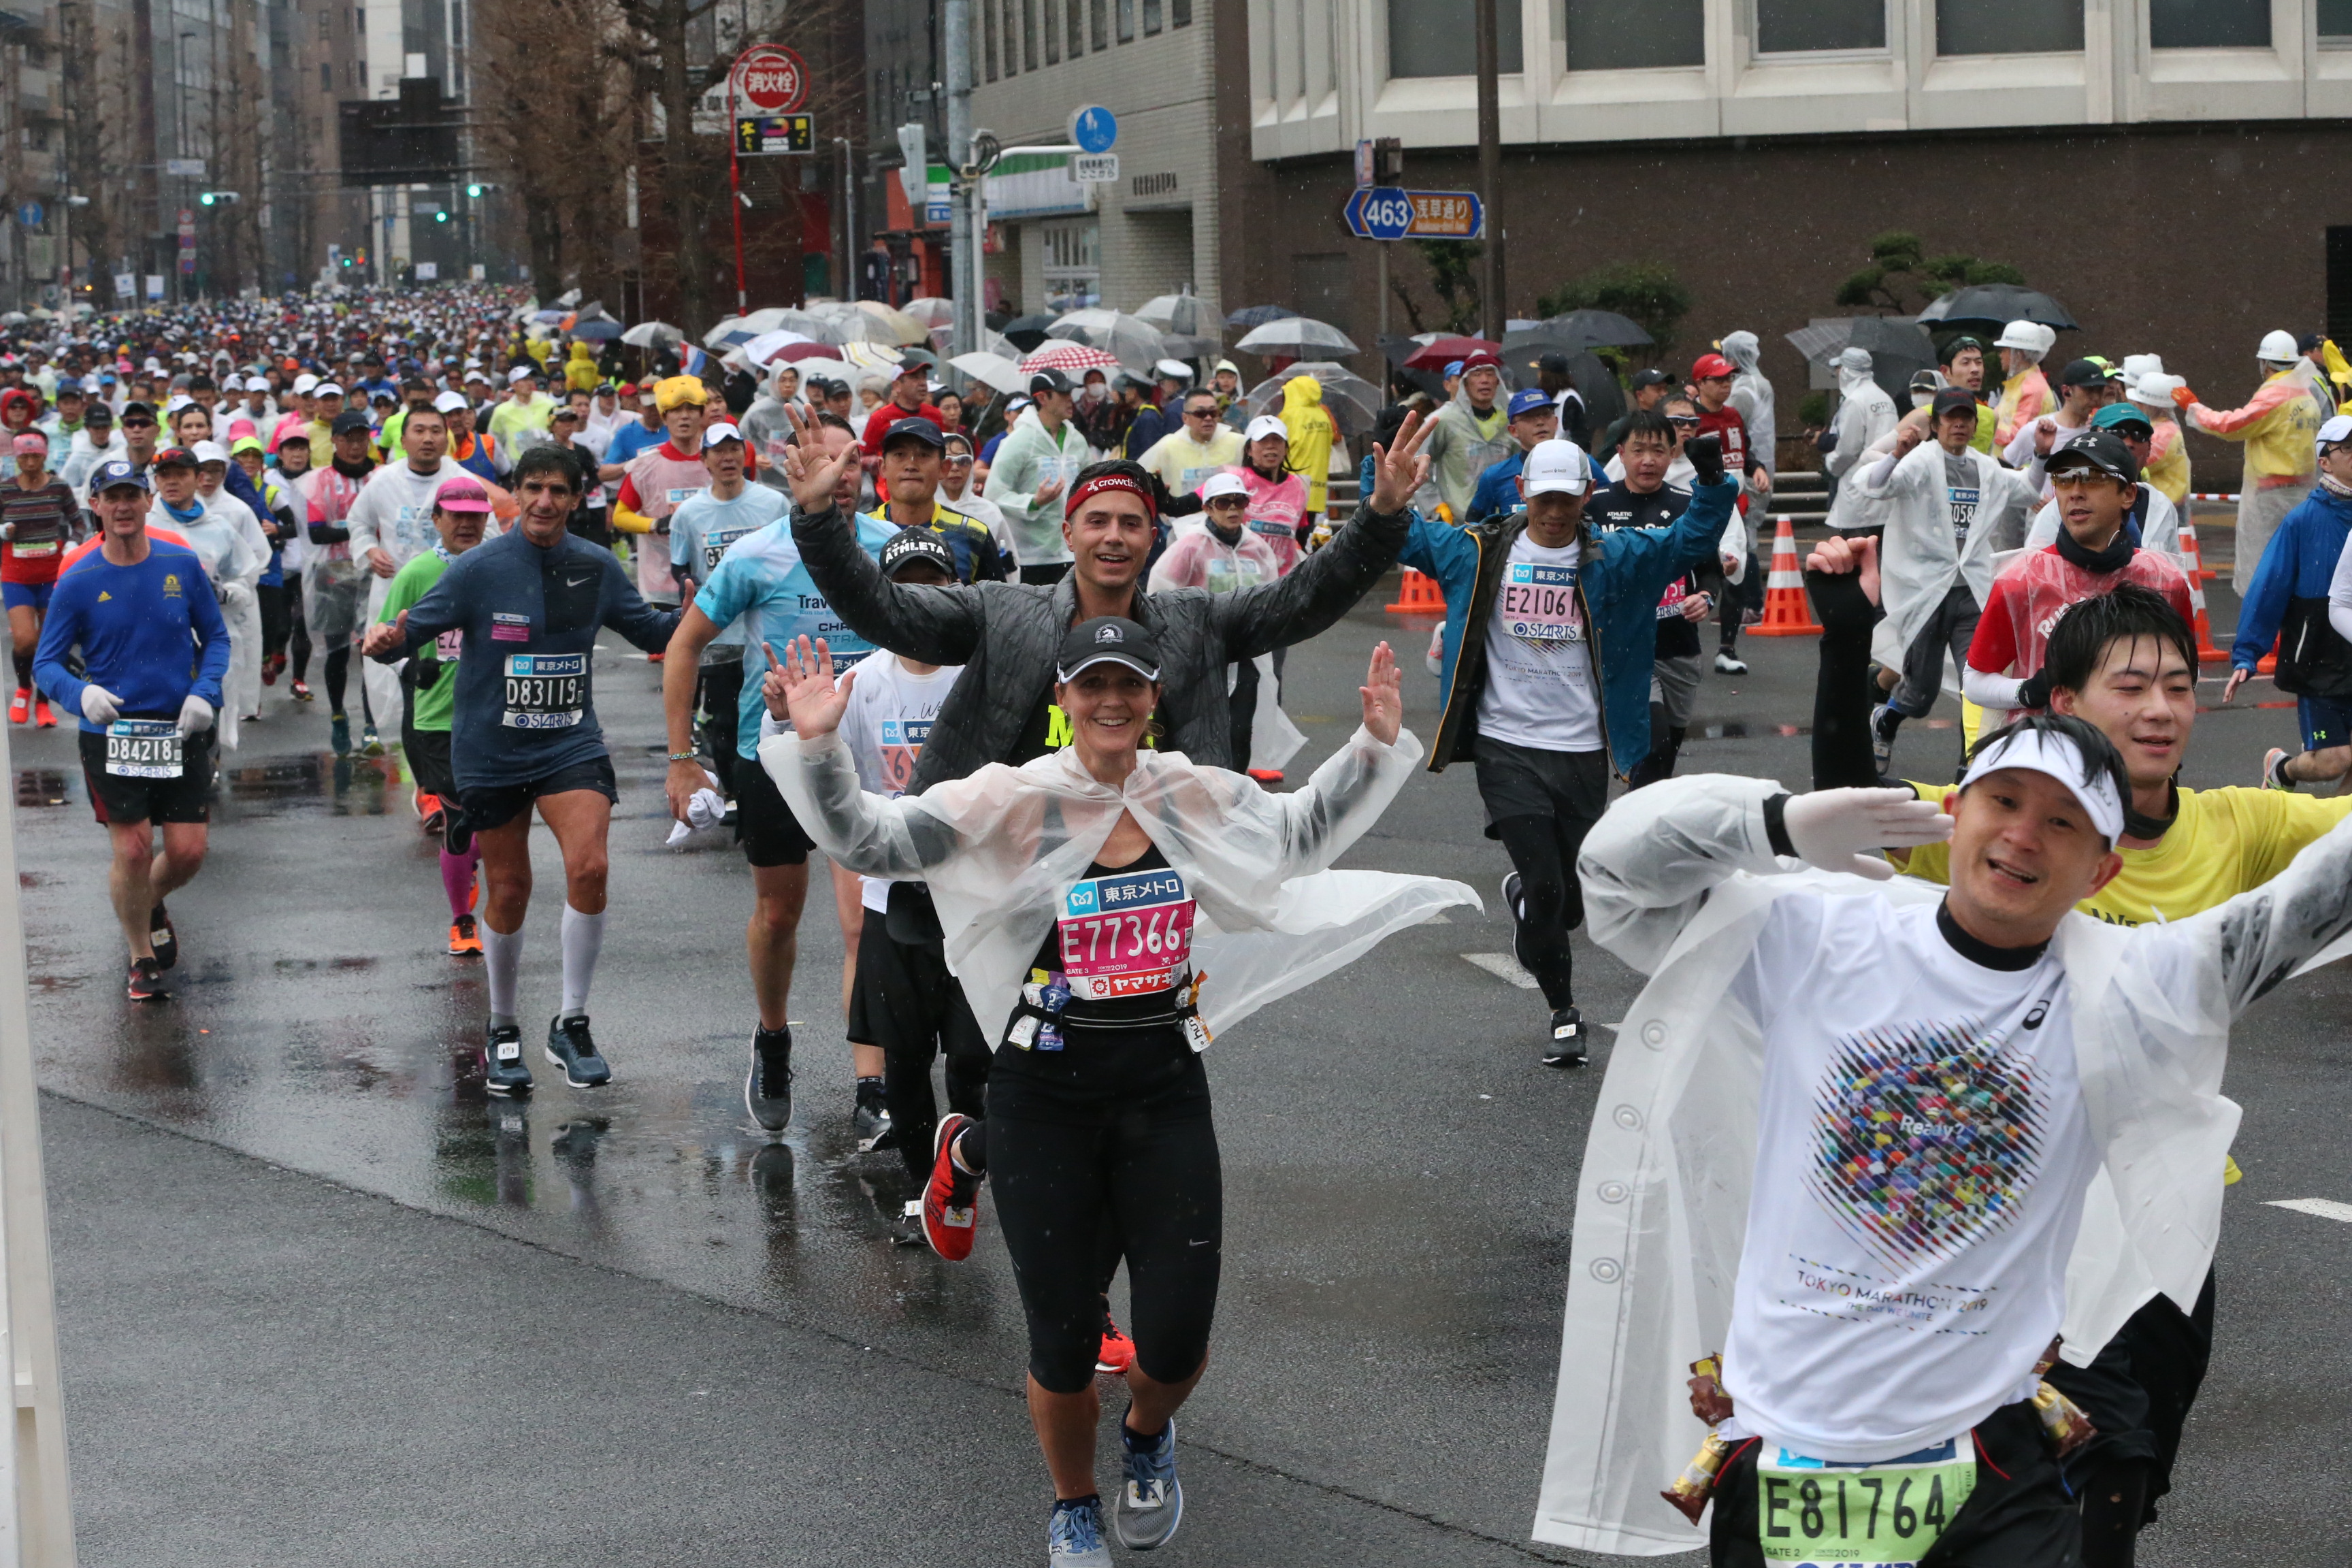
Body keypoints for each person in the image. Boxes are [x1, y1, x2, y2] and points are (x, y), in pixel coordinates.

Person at [1533, 710, 2352, 1565]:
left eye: (2062, 822)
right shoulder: (1814, 930)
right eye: (2004, 801)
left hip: (1988, 1464)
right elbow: (1615, 876)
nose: (2024, 837)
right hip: (1779, 1452)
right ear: (1958, 811)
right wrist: (1771, 821)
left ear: (2102, 867)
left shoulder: (2131, 988)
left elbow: (2310, 905)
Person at [760, 621, 1469, 1567]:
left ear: (1152, 699)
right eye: (1090, 685)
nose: (1110, 702)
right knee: (1061, 1343)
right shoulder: (1012, 800)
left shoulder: (1187, 792)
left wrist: (1372, 745)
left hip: (1162, 1090)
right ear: (1061, 699)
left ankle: (1145, 1436)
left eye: (1128, 687)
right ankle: (1075, 1503)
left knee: (1174, 1346)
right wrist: (814, 743)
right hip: (1043, 1095)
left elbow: (1297, 836)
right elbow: (875, 840)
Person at [1400, 435, 1738, 1064]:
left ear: (1589, 495)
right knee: (1549, 890)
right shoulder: (1480, 551)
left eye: (1568, 498)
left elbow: (1690, 542)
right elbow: (1401, 536)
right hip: (1507, 747)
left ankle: (1529, 903)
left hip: (1583, 749)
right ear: (1524, 492)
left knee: (1574, 902)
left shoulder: (1619, 557)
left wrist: (1717, 485)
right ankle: (1562, 1009)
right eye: (1544, 498)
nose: (1554, 512)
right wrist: (1381, 491)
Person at [361, 445, 681, 1096]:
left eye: (559, 490)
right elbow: (415, 627)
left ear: (575, 498)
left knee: (590, 867)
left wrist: (715, 612)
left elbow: (651, 632)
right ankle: (503, 1025)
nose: (544, 501)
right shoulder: (479, 568)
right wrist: (389, 640)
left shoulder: (594, 566)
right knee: (507, 890)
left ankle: (571, 1021)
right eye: (532, 487)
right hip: (492, 749)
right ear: (517, 492)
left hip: (569, 745)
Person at [661, 409, 895, 1135]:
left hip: (865, 751)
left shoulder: (889, 549)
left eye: (851, 461)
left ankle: (872, 1085)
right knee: (777, 916)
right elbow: (684, 647)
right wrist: (680, 761)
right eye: (824, 461)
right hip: (778, 750)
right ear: (793, 471)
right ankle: (772, 1036)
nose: (841, 476)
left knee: (862, 922)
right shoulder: (759, 554)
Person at [779, 528, 981, 1189]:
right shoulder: (861, 682)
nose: (920, 601)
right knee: (905, 1062)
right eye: (905, 589)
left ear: (956, 591)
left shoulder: (982, 674)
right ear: (885, 599)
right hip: (895, 899)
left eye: (934, 585)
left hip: (977, 898)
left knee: (975, 1062)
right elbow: (835, 799)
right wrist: (800, 732)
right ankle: (927, 1191)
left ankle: (969, 1176)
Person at [32, 459, 228, 1002]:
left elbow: (215, 638)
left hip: (179, 726)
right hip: (113, 734)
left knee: (187, 852)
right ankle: (141, 955)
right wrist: (81, 694)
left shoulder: (180, 564)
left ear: (147, 502)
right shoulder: (77, 577)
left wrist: (203, 692)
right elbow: (45, 666)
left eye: (131, 496)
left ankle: (146, 900)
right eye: (110, 497)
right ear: (94, 506)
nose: (122, 506)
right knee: (135, 850)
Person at [1850, 387, 2039, 772]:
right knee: (1920, 693)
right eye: (1950, 418)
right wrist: (1898, 454)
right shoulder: (1921, 462)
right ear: (1935, 424)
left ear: (1973, 425)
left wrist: (2043, 454)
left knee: (1978, 680)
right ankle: (1885, 721)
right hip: (1926, 591)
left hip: (1971, 591)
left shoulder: (1985, 468)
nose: (1958, 424)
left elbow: (2026, 490)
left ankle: (1971, 764)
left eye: (1965, 418)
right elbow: (1874, 485)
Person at [375, 476, 493, 955]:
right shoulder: (417, 573)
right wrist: (409, 662)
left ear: (487, 519)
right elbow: (383, 638)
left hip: (501, 715)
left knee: (495, 823)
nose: (466, 523)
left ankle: (472, 871)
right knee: (461, 819)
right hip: (439, 719)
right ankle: (462, 920)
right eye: (456, 515)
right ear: (438, 520)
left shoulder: (505, 566)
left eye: (475, 515)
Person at [1589, 408, 1727, 788]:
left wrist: (1705, 596)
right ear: (1620, 453)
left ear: (1673, 454)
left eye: (1658, 450)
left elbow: (1711, 569)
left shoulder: (1688, 505)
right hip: (1624, 645)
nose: (1648, 460)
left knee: (1664, 757)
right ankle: (1633, 832)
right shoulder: (1596, 506)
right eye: (1638, 450)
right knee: (1655, 741)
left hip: (1678, 645)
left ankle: (1638, 815)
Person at [666, 421, 784, 800]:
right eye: (718, 451)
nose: (728, 457)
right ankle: (734, 794)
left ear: (745, 455)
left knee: (765, 716)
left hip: (763, 634)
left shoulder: (773, 504)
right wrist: (693, 591)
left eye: (735, 449)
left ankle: (764, 792)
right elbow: (679, 564)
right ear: (705, 460)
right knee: (723, 720)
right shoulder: (689, 513)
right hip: (717, 634)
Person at [2236, 413, 2352, 790]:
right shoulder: (2304, 520)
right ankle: (2283, 770)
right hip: (2319, 651)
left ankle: (2341, 844)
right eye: (2348, 449)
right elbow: (2270, 586)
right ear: (2325, 461)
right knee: (2333, 760)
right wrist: (2247, 652)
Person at [1147, 470, 1283, 770]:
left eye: (1240, 502)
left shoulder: (1258, 548)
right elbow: (1158, 592)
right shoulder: (1190, 547)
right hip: (1201, 653)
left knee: (1240, 727)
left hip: (1246, 652)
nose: (1233, 509)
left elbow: (1272, 597)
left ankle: (1237, 788)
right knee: (1202, 726)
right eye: (1224, 503)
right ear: (1207, 507)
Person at [2178, 331, 2327, 592]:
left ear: (2266, 365)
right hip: (2302, 490)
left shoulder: (2276, 394)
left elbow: (2231, 425)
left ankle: (2270, 625)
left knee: (2268, 568)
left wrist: (2194, 408)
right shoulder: (2305, 394)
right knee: (2296, 563)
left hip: (2272, 495)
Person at [299, 412, 380, 755]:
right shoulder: (319, 480)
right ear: (334, 440)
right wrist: (362, 526)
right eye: (348, 438)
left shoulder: (380, 477)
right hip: (332, 572)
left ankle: (372, 724)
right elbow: (318, 532)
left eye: (362, 438)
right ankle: (337, 714)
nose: (356, 445)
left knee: (370, 650)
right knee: (336, 652)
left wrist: (350, 526)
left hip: (373, 570)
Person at [612, 375, 715, 615]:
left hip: (712, 579)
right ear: (664, 416)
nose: (685, 416)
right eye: (676, 409)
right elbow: (620, 516)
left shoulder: (717, 460)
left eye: (691, 409)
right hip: (662, 581)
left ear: (701, 415)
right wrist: (656, 524)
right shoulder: (645, 465)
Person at [863, 416, 1006, 584]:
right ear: (883, 467)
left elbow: (997, 605)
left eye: (923, 455)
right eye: (900, 454)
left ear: (943, 468)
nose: (911, 465)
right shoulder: (857, 530)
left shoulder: (973, 534)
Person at [984, 369, 1091, 584]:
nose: (1071, 400)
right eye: (1063, 394)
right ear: (1042, 398)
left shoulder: (1077, 439)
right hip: (1030, 558)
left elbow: (1090, 483)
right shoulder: (1019, 441)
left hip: (1073, 552)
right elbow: (993, 494)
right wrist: (1033, 502)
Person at [1, 431, 79, 725]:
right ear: (16, 458)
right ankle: (23, 687)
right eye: (24, 457)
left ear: (45, 455)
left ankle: (43, 703)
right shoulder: (6, 489)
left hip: (52, 574)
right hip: (17, 575)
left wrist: (73, 543)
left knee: (50, 641)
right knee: (25, 640)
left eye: (36, 456)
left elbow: (78, 521)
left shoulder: (59, 487)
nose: (31, 462)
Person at [1422, 348, 1511, 523]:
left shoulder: (1509, 422)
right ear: (1465, 384)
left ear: (1498, 382)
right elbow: (1418, 463)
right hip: (1458, 524)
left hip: (1503, 523)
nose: (1484, 380)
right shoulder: (1445, 421)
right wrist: (1435, 505)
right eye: (1476, 374)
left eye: (1489, 374)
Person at [1819, 346, 1897, 533]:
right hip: (1883, 482)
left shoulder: (1854, 401)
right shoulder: (1885, 398)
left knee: (1855, 552)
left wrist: (1831, 464)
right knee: (1879, 551)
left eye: (1839, 369)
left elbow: (1848, 450)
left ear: (1846, 371)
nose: (1837, 374)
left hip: (1858, 485)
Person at [1465, 389, 1558, 525]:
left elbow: (1601, 511)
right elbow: (1473, 522)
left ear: (1556, 422)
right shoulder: (1495, 476)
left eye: (1545, 414)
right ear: (1513, 431)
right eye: (1529, 416)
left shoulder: (1582, 464)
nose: (1540, 422)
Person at [1136, 387, 1242, 502]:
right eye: (1200, 413)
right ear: (1185, 418)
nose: (1208, 418)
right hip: (1182, 518)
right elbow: (1136, 480)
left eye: (1213, 413)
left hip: (1227, 516)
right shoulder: (1168, 446)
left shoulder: (1239, 443)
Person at [1277, 373, 1337, 527]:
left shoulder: (1289, 415)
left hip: (1291, 484)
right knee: (1308, 531)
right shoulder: (1322, 415)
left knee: (1290, 535)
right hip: (1317, 486)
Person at [858, 356, 945, 457]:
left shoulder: (935, 414)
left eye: (924, 377)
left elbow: (943, 451)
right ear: (897, 386)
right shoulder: (879, 418)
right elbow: (865, 456)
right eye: (915, 377)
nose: (922, 383)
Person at [1990, 318, 2057, 448]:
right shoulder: (2020, 383)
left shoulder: (2031, 389)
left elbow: (2017, 436)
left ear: (2019, 354)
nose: (2001, 355)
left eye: (2005, 350)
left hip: (2019, 466)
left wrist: (1983, 425)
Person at [1718, 331, 1776, 483]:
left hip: (1747, 466)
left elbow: (1727, 425)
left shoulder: (1743, 390)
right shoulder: (1761, 383)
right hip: (1762, 461)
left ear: (1733, 359)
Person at [1592, 367, 1673, 469]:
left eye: (1665, 389)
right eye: (1658, 389)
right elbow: (1603, 463)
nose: (1664, 394)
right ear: (1640, 395)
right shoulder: (1623, 426)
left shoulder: (1674, 423)